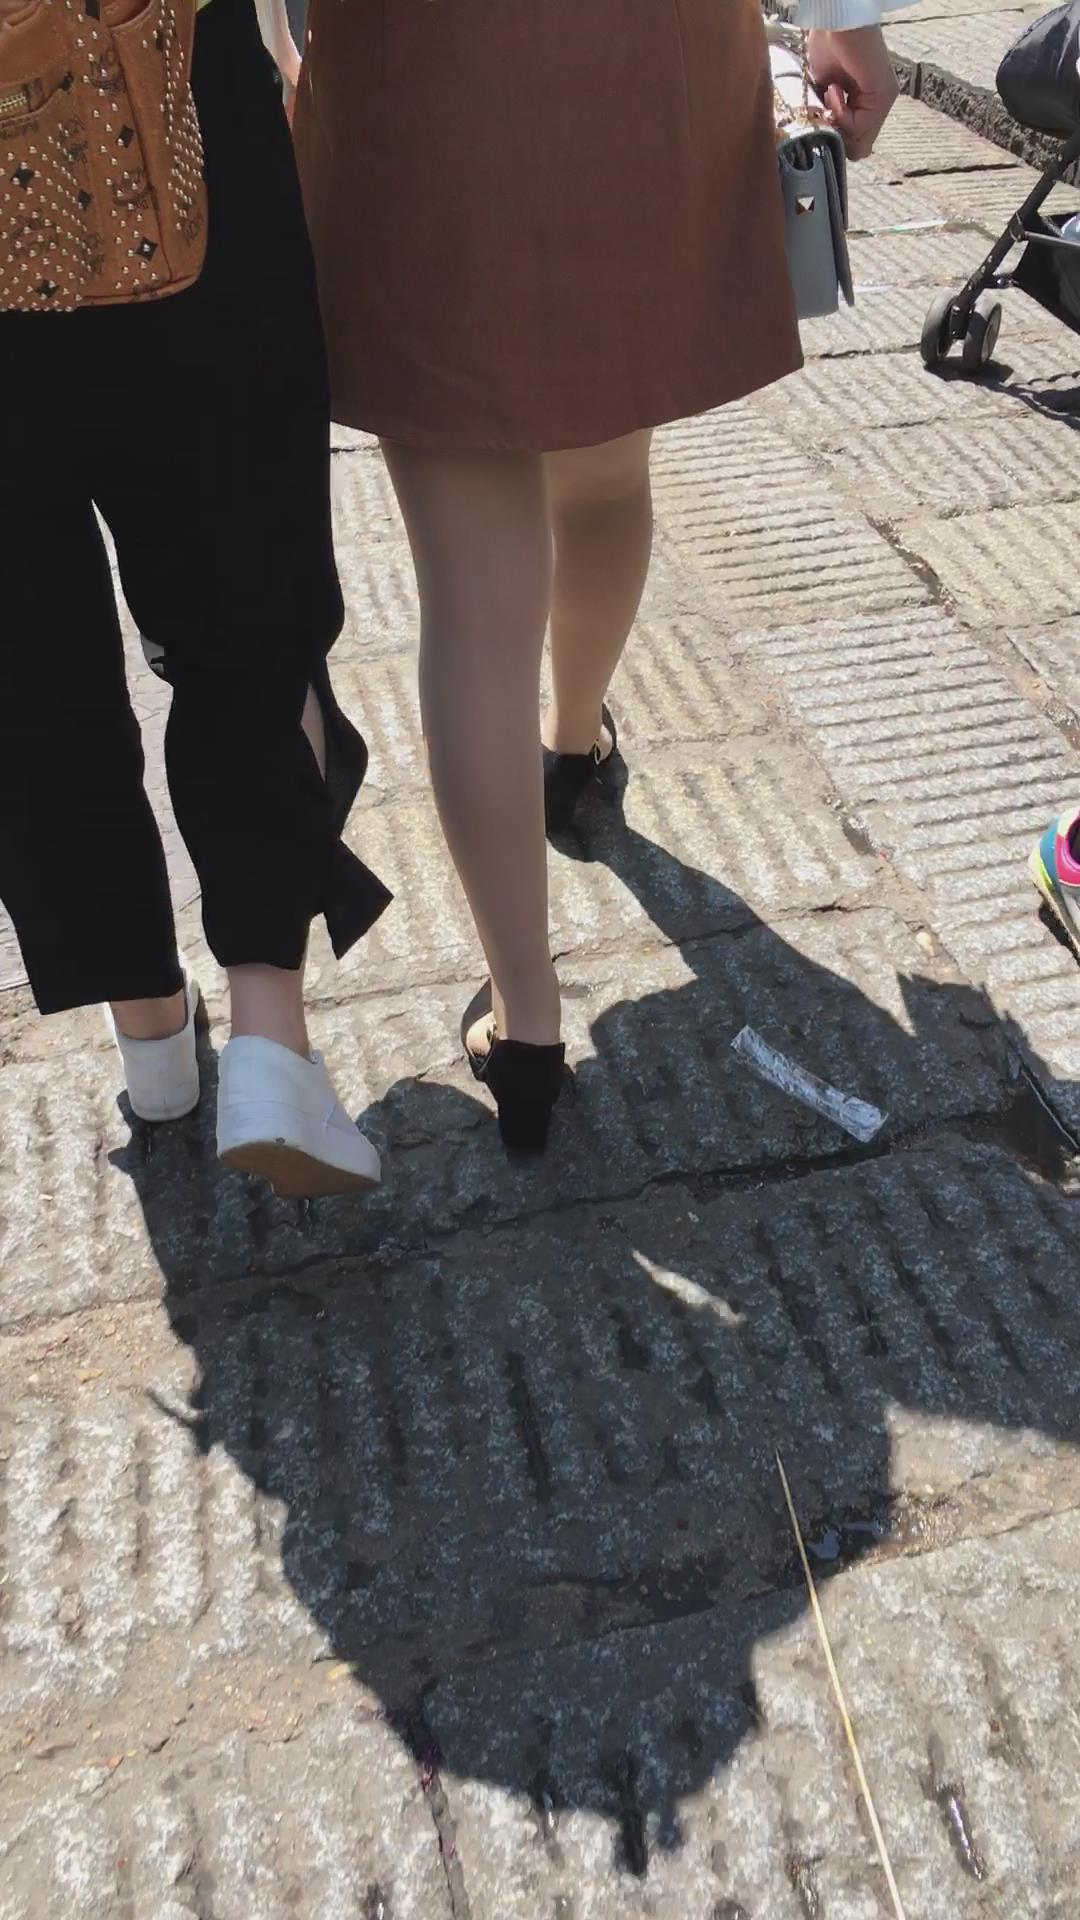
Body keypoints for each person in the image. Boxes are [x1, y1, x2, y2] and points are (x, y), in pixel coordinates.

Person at [292, 1, 903, 1157]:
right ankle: (573, 747)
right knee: (611, 465)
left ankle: (526, 1021)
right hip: (643, 58)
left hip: (415, 72)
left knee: (474, 599)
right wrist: (848, 21)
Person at [0, 0, 390, 1198]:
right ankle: (270, 1034)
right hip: (174, 105)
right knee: (244, 596)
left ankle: (153, 1038)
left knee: (27, 659)